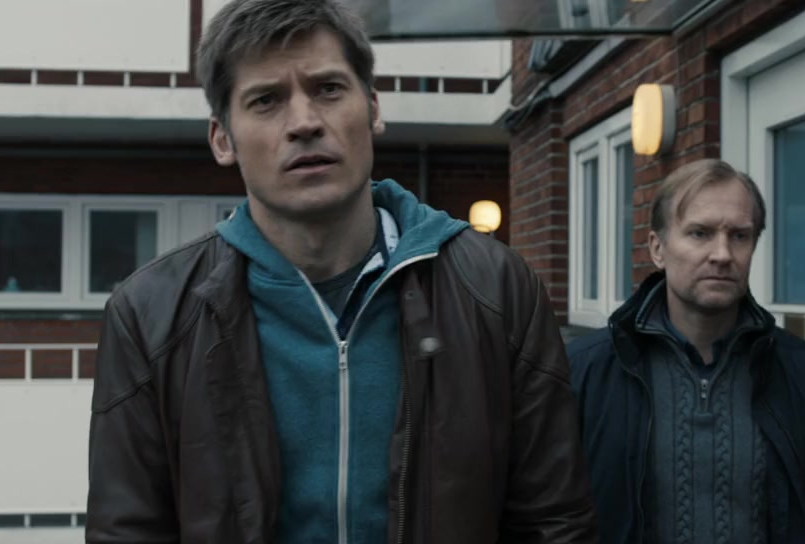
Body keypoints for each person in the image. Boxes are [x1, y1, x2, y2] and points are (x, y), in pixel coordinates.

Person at [84, 0, 598, 542]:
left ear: (373, 108)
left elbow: (553, 522)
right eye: (265, 100)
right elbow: (129, 532)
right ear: (222, 139)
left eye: (328, 89)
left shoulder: (496, 288)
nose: (304, 122)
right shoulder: (150, 315)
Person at [566, 158, 805, 543]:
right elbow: (551, 518)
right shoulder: (584, 372)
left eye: (739, 236)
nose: (722, 254)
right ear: (658, 249)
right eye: (700, 233)